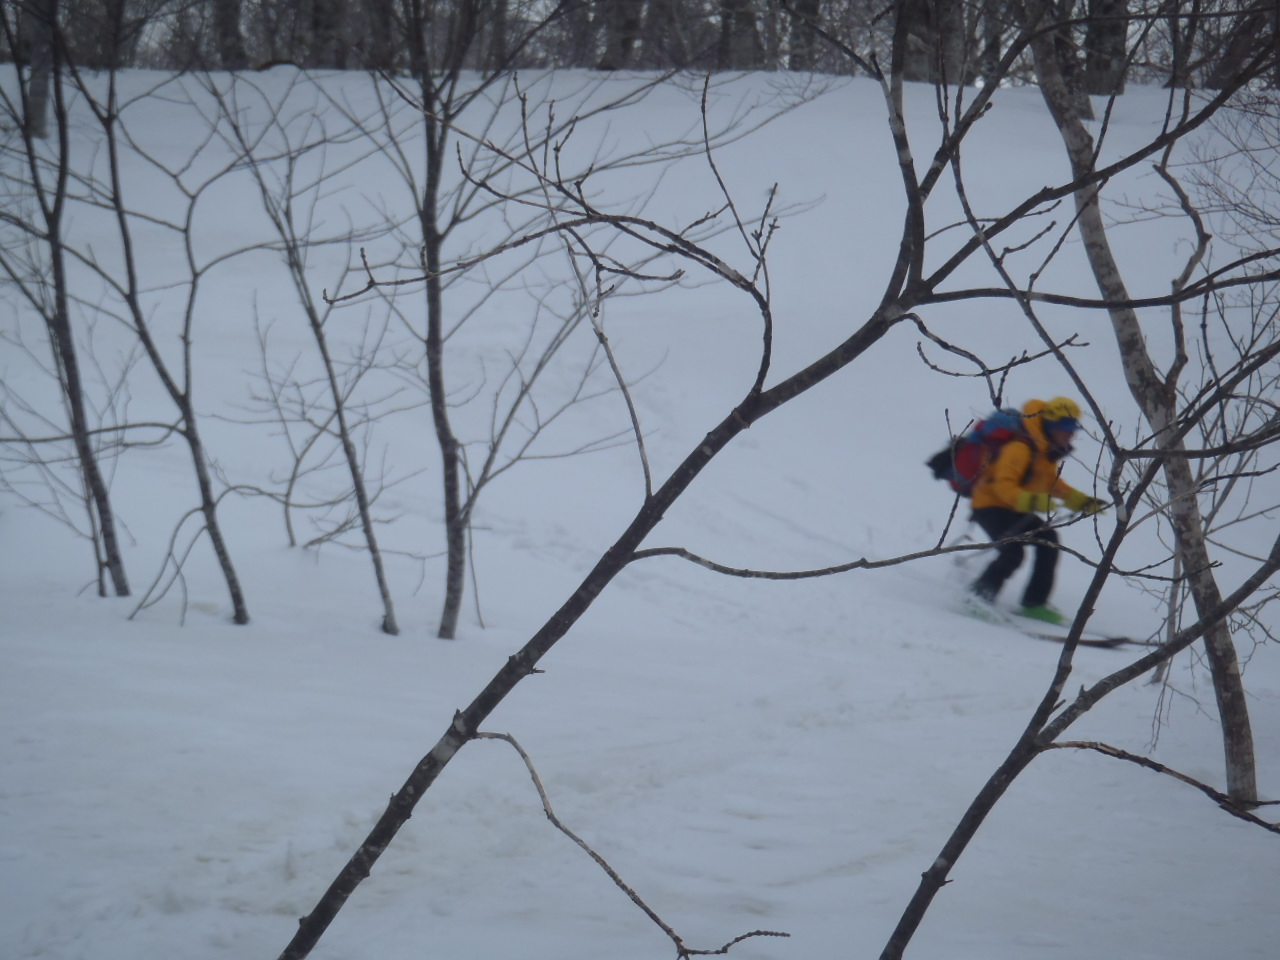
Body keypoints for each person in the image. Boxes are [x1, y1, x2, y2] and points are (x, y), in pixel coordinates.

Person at [968, 397, 1106, 625]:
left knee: (1049, 541)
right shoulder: (1020, 448)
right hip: (990, 506)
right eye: (1065, 429)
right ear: (1051, 426)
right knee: (1012, 553)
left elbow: (1051, 483)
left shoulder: (1045, 450)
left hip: (1016, 508)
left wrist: (1080, 501)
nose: (1070, 435)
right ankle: (977, 596)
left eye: (1072, 430)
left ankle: (1034, 603)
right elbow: (1001, 485)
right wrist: (1032, 501)